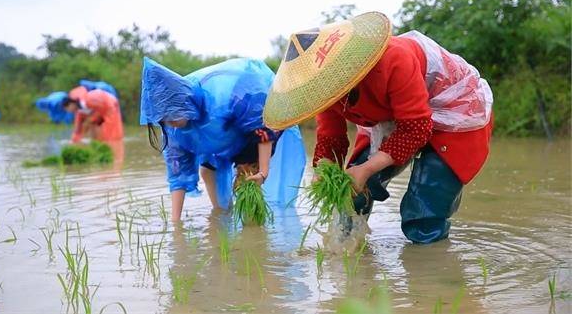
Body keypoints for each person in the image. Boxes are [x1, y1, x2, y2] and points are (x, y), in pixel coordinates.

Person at [263, 12, 493, 244]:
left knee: (425, 205)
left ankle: (430, 265)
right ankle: (347, 247)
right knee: (351, 189)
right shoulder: (325, 91)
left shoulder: (394, 59)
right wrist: (324, 169)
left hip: (456, 110)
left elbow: (416, 128)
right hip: (391, 116)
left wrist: (367, 169)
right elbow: (331, 138)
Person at [140, 57, 306, 222]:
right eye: (164, 120)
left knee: (247, 180)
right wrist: (175, 224)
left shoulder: (227, 96)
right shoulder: (173, 131)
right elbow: (178, 176)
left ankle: (253, 228)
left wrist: (263, 172)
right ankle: (222, 213)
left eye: (171, 116)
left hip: (250, 132)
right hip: (217, 140)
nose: (171, 124)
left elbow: (263, 128)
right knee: (207, 171)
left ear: (183, 104)